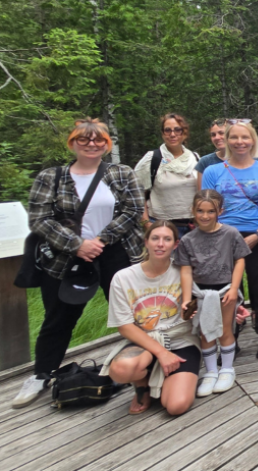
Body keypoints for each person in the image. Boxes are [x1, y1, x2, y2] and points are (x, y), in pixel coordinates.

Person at [12, 119, 144, 409]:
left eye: (98, 140)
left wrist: (102, 239)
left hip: (114, 252)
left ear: (106, 144)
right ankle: (41, 374)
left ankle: (142, 366)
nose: (92, 144)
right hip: (65, 256)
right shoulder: (52, 177)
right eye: (84, 139)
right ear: (72, 142)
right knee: (59, 317)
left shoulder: (120, 173)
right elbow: (39, 218)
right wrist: (77, 244)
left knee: (130, 313)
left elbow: (134, 208)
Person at [200, 120, 258, 359]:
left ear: (253, 140)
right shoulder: (213, 171)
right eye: (234, 137)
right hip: (222, 237)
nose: (239, 142)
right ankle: (230, 337)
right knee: (225, 290)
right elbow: (206, 207)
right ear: (226, 140)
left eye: (245, 137)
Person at [103, 221, 200, 415]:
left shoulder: (185, 272)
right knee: (121, 370)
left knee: (175, 406)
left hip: (181, 340)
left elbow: (207, 297)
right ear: (146, 242)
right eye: (155, 238)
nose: (160, 244)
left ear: (175, 244)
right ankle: (143, 384)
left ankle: (168, 380)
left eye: (167, 239)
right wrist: (162, 353)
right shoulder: (123, 278)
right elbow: (124, 326)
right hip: (145, 340)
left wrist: (232, 308)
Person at [177, 190, 249, 397]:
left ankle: (227, 369)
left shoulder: (231, 234)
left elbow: (239, 260)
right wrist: (187, 298)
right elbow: (185, 269)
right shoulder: (188, 240)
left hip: (225, 290)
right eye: (200, 211)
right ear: (193, 211)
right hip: (201, 292)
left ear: (220, 211)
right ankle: (210, 371)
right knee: (205, 333)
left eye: (211, 211)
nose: (205, 216)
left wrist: (234, 288)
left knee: (225, 330)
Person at [134, 113, 201, 235]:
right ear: (162, 133)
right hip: (162, 228)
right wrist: (146, 223)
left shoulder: (195, 158)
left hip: (193, 228)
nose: (172, 134)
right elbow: (137, 193)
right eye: (167, 130)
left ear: (184, 132)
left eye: (177, 130)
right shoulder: (152, 159)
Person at [195, 119, 258, 184]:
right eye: (213, 135)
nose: (217, 137)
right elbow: (203, 198)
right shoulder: (206, 164)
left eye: (221, 133)